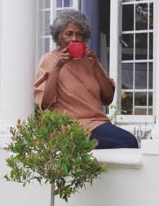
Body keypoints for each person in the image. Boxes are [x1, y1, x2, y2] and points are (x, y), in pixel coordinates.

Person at [33, 9, 138, 149]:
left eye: (79, 34)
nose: (75, 39)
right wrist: (58, 67)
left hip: (97, 123)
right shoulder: (49, 59)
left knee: (128, 142)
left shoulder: (89, 61)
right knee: (128, 142)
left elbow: (108, 97)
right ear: (58, 37)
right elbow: (45, 103)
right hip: (70, 127)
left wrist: (96, 65)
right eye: (69, 34)